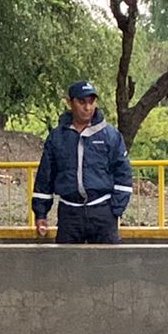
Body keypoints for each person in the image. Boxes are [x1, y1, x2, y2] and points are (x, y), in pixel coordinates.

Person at [31, 81, 133, 243]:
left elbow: (124, 173)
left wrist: (116, 209)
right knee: (67, 259)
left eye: (91, 102)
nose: (87, 107)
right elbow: (45, 177)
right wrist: (41, 213)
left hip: (102, 213)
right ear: (70, 102)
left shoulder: (111, 135)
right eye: (82, 102)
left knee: (109, 259)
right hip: (69, 215)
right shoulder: (57, 137)